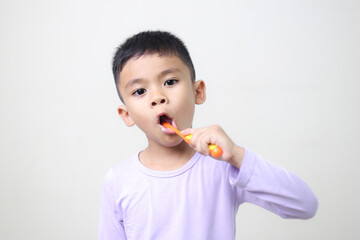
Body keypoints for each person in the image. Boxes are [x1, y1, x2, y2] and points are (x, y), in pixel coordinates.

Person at [98, 31, 318, 240]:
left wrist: (237, 156)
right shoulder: (118, 180)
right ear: (127, 115)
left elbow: (305, 205)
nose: (157, 97)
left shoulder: (223, 164)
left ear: (198, 92)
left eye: (170, 82)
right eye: (139, 91)